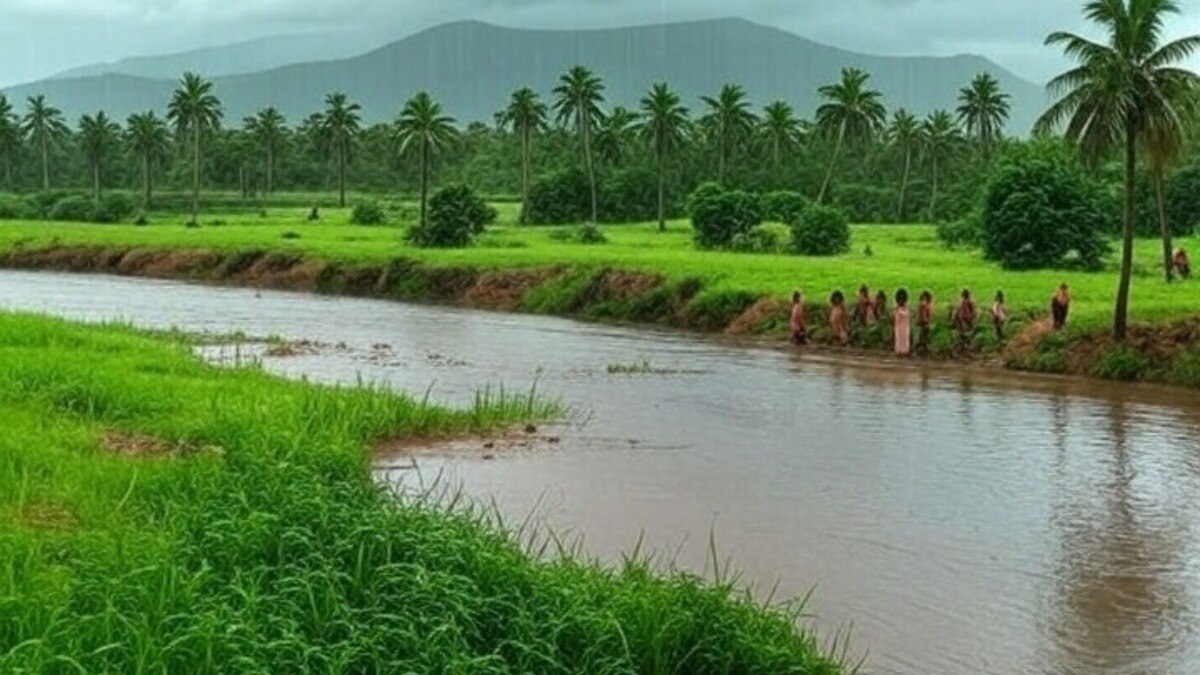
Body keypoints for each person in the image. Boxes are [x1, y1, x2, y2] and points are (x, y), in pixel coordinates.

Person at [894, 288, 912, 356]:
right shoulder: (898, 308)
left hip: (904, 326)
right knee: (900, 337)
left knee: (904, 337)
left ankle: (904, 350)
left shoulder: (904, 308)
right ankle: (900, 350)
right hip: (900, 326)